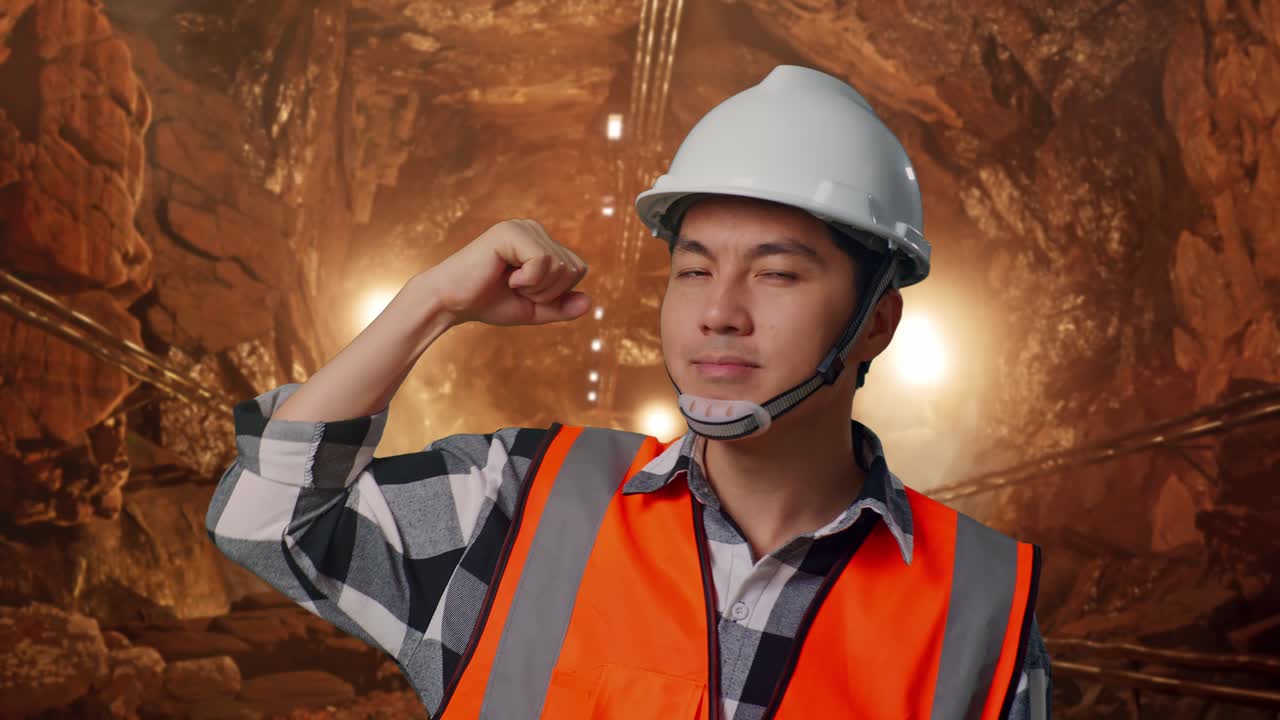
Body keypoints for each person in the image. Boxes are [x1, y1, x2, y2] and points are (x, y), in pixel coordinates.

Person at [207, 65, 1051, 719]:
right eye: (693, 270)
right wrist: (430, 305)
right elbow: (264, 519)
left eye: (779, 273)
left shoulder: (980, 603)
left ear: (876, 323)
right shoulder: (517, 503)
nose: (719, 313)